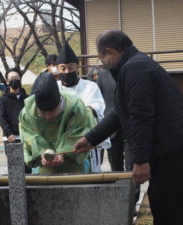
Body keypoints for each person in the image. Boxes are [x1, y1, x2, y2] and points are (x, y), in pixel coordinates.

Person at [74, 29, 183, 225]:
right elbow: (119, 111)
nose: (103, 64)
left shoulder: (135, 69)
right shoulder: (134, 65)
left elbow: (140, 116)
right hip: (169, 148)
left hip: (171, 152)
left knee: (168, 210)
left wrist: (140, 161)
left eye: (101, 58)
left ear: (110, 52)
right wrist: (91, 138)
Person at [19, 72, 97, 174]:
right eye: (42, 112)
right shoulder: (27, 113)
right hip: (44, 168)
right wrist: (42, 154)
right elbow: (29, 137)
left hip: (74, 167)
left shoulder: (76, 108)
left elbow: (80, 134)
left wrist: (62, 153)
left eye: (52, 111)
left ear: (60, 101)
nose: (48, 117)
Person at [56, 43, 109, 172]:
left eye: (71, 67)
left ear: (77, 66)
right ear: (57, 69)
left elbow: (94, 110)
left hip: (84, 141)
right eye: (63, 68)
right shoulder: (53, 87)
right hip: (57, 142)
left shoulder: (90, 87)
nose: (67, 71)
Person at [0, 68, 31, 173]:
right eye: (11, 78)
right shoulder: (2, 99)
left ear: (20, 79)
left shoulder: (28, 98)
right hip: (11, 138)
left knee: (28, 166)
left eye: (16, 78)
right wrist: (9, 133)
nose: (14, 80)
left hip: (27, 138)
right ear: (7, 81)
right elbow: (1, 118)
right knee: (15, 168)